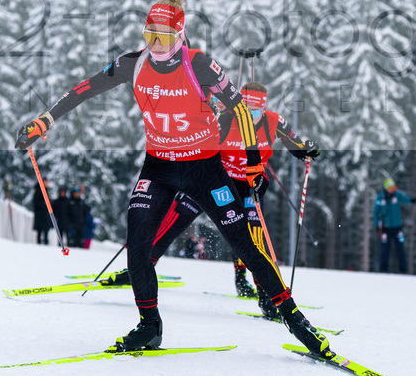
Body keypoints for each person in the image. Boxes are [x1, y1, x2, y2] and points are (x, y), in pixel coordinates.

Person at [15, 0, 330, 357]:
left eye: (163, 37)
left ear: (179, 37)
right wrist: (45, 119)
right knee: (139, 236)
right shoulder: (134, 63)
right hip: (160, 167)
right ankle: (150, 326)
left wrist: (247, 153)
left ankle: (294, 319)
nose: (155, 44)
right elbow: (84, 88)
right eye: (149, 36)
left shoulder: (198, 63)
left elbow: (240, 108)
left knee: (244, 243)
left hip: (204, 168)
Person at [134, 81, 320, 312]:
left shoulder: (273, 121)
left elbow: (295, 143)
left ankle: (267, 297)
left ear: (264, 108)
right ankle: (139, 268)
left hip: (248, 188)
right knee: (173, 220)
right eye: (246, 108)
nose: (251, 116)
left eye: (256, 110)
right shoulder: (225, 119)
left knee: (254, 239)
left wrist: (306, 150)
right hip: (215, 182)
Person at [374, 178, 412, 273]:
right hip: (386, 229)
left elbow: (405, 199)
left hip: (397, 228)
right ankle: (383, 270)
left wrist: (412, 200)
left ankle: (403, 270)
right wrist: (377, 225)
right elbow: (376, 213)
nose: (393, 189)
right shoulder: (380, 198)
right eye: (391, 187)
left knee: (400, 249)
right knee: (384, 250)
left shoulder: (397, 195)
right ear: (387, 188)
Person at [32, 177, 51, 244]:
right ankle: (39, 243)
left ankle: (46, 242)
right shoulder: (38, 190)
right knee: (39, 231)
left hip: (45, 214)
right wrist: (44, 205)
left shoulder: (46, 191)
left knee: (46, 231)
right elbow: (35, 202)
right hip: (40, 214)